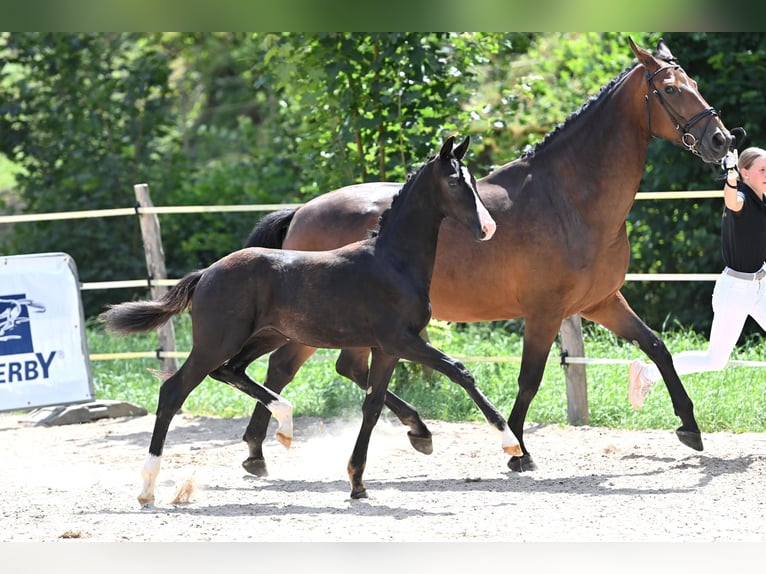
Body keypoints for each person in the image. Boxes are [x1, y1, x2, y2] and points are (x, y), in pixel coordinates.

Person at [628, 146, 766, 409]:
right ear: (745, 172)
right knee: (714, 360)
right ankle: (646, 374)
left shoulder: (762, 199)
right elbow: (731, 200)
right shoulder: (742, 199)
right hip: (736, 290)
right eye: (762, 169)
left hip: (760, 284)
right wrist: (730, 175)